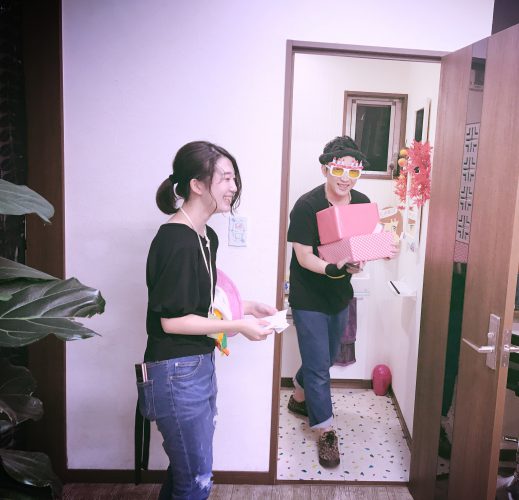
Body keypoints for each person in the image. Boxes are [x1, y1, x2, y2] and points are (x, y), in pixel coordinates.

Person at [137, 141, 276, 499]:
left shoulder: (205, 236)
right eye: (225, 178)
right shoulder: (175, 241)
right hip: (175, 371)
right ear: (197, 185)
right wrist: (238, 326)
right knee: (196, 478)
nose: (234, 187)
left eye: (234, 178)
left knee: (187, 471)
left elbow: (200, 302)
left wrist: (246, 307)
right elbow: (173, 322)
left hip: (197, 365)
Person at [286, 135, 370, 468]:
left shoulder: (361, 202)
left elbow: (360, 245)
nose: (346, 178)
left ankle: (299, 394)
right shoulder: (307, 206)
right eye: (339, 170)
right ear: (326, 169)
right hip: (308, 296)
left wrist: (360, 261)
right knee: (320, 367)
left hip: (339, 295)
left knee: (326, 356)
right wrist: (333, 268)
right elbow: (304, 257)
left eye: (353, 171)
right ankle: (325, 431)